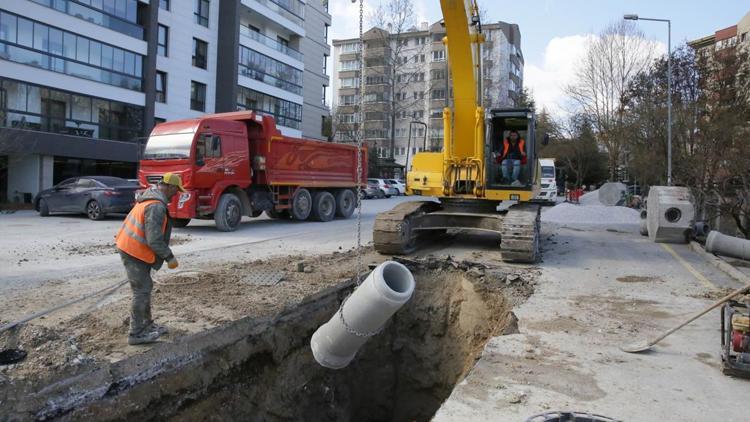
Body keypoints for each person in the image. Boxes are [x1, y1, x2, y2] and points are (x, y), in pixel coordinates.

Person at [115, 173, 184, 345]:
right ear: (169, 187)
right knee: (141, 290)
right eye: (176, 190)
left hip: (133, 248)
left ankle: (146, 325)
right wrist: (169, 257)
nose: (176, 194)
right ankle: (136, 333)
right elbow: (154, 239)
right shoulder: (156, 206)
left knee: (145, 287)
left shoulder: (151, 199)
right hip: (133, 251)